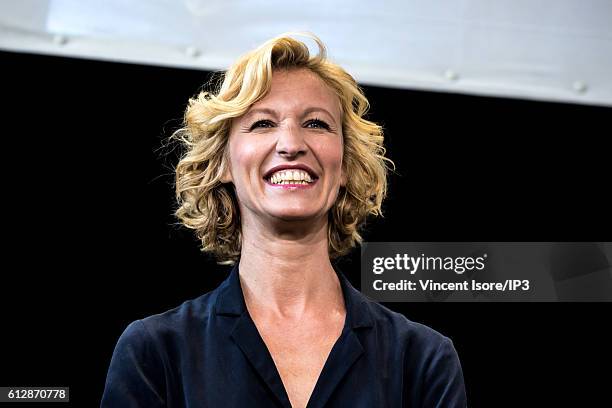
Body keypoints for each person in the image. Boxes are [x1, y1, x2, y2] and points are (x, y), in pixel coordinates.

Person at [101, 32, 467, 408]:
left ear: (344, 164)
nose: (291, 144)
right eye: (263, 124)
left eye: (316, 124)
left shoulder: (422, 360)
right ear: (223, 162)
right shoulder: (156, 352)